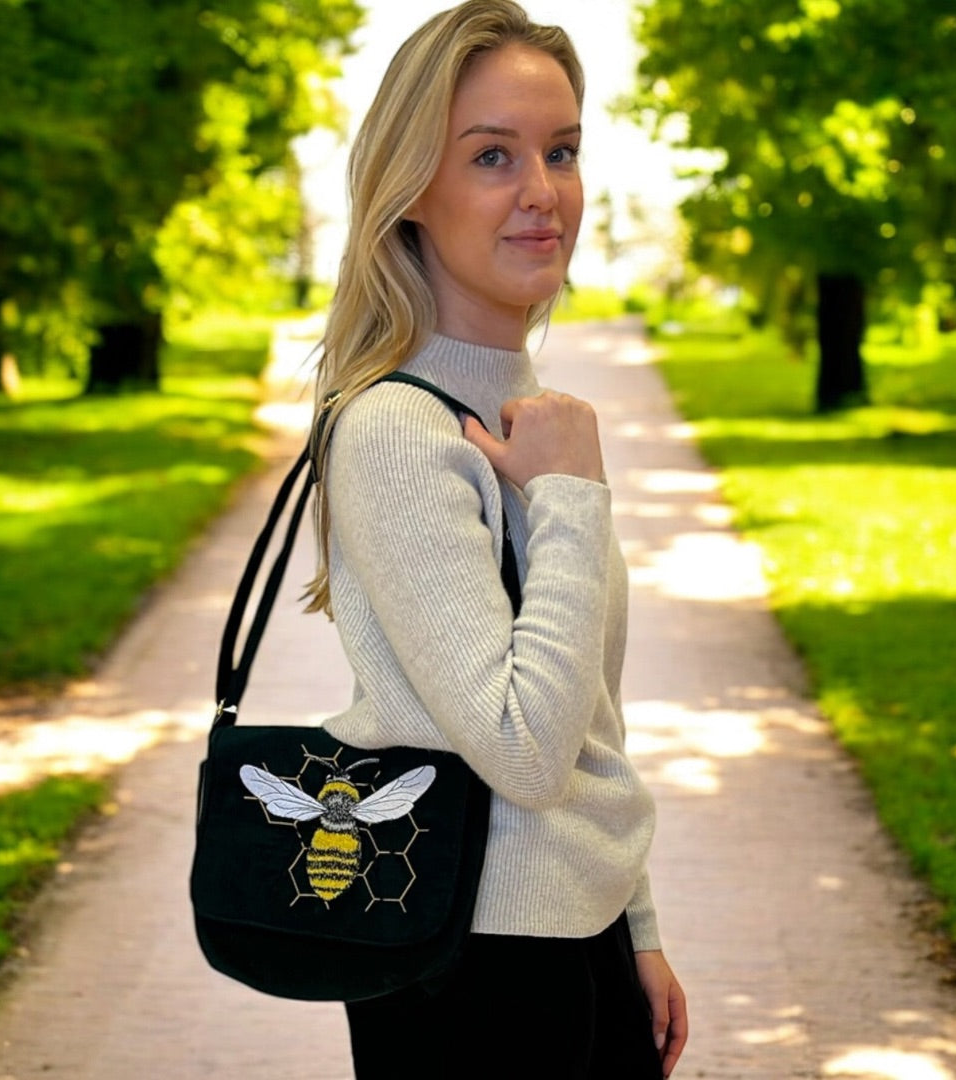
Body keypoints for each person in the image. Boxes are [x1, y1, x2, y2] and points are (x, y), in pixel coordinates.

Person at [304, 2, 688, 1076]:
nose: (543, 192)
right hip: (472, 966)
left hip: (572, 940)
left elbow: (588, 720)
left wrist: (634, 928)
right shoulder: (395, 429)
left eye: (561, 151)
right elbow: (522, 749)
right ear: (412, 188)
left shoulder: (526, 409)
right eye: (492, 156)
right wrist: (569, 496)